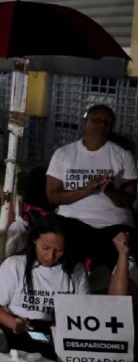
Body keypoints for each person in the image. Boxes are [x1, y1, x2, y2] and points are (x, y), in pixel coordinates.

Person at [0, 214, 130, 360]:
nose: (50, 256)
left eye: (58, 251)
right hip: (17, 333)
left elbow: (82, 312)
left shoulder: (76, 271)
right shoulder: (15, 265)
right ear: (35, 240)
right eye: (45, 248)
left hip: (54, 337)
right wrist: (13, 323)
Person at [46, 104, 138, 271]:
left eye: (107, 122)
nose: (102, 125)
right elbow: (53, 196)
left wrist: (110, 190)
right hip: (72, 220)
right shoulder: (64, 154)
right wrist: (86, 190)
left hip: (113, 223)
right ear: (84, 123)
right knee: (61, 258)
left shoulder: (123, 156)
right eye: (96, 120)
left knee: (126, 266)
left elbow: (128, 200)